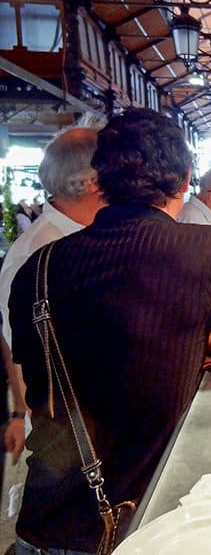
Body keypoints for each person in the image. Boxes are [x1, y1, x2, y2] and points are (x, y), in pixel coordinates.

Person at [8, 109, 211, 554]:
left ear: (102, 180)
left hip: (40, 529)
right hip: (128, 529)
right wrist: (201, 335)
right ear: (186, 180)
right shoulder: (202, 247)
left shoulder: (36, 268)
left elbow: (39, 377)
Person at [0, 127, 106, 466]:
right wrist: (21, 412)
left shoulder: (90, 235)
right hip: (71, 435)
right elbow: (14, 343)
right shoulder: (38, 251)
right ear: (93, 181)